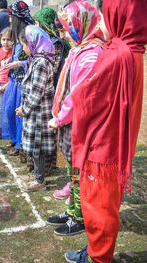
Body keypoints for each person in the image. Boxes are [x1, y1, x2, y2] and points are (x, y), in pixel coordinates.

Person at [64, 0, 147, 262]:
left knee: (98, 206)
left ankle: (98, 257)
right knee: (102, 204)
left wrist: (64, 109)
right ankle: (94, 250)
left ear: (119, 16)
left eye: (105, 18)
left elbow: (87, 96)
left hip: (103, 145)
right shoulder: (131, 50)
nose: (100, 25)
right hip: (114, 143)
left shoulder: (118, 54)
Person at [46, 0, 104, 237]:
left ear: (82, 25)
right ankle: (71, 211)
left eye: (68, 28)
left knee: (78, 173)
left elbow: (79, 94)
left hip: (80, 124)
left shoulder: (92, 52)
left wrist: (59, 118)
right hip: (72, 123)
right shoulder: (81, 48)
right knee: (72, 172)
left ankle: (79, 218)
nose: (65, 34)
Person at [15, 25, 56, 192]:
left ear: (32, 43)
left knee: (37, 147)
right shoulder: (37, 59)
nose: (24, 48)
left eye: (24, 45)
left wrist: (24, 109)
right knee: (34, 147)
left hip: (38, 114)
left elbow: (36, 93)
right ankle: (37, 176)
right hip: (35, 113)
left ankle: (39, 180)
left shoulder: (41, 63)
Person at [33, 8, 70, 176]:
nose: (36, 26)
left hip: (53, 91)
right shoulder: (45, 41)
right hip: (47, 89)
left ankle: (48, 167)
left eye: (38, 23)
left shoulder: (55, 43)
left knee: (49, 131)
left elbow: (53, 70)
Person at [2, 0, 34, 157]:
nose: (9, 21)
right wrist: (10, 61)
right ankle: (15, 139)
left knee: (19, 113)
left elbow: (35, 59)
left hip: (23, 81)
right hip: (14, 80)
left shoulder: (29, 34)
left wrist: (18, 63)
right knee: (9, 110)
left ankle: (20, 143)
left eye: (11, 17)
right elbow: (17, 54)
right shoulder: (17, 36)